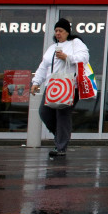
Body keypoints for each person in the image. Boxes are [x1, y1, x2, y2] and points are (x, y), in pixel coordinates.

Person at [30, 18, 89, 159]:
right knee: (44, 112)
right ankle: (61, 136)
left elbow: (84, 57)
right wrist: (36, 82)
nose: (58, 33)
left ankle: (61, 146)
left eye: (60, 31)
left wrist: (67, 57)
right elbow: (43, 67)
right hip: (52, 86)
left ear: (67, 32)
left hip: (69, 85)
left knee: (62, 115)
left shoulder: (75, 43)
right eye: (56, 31)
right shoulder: (51, 48)